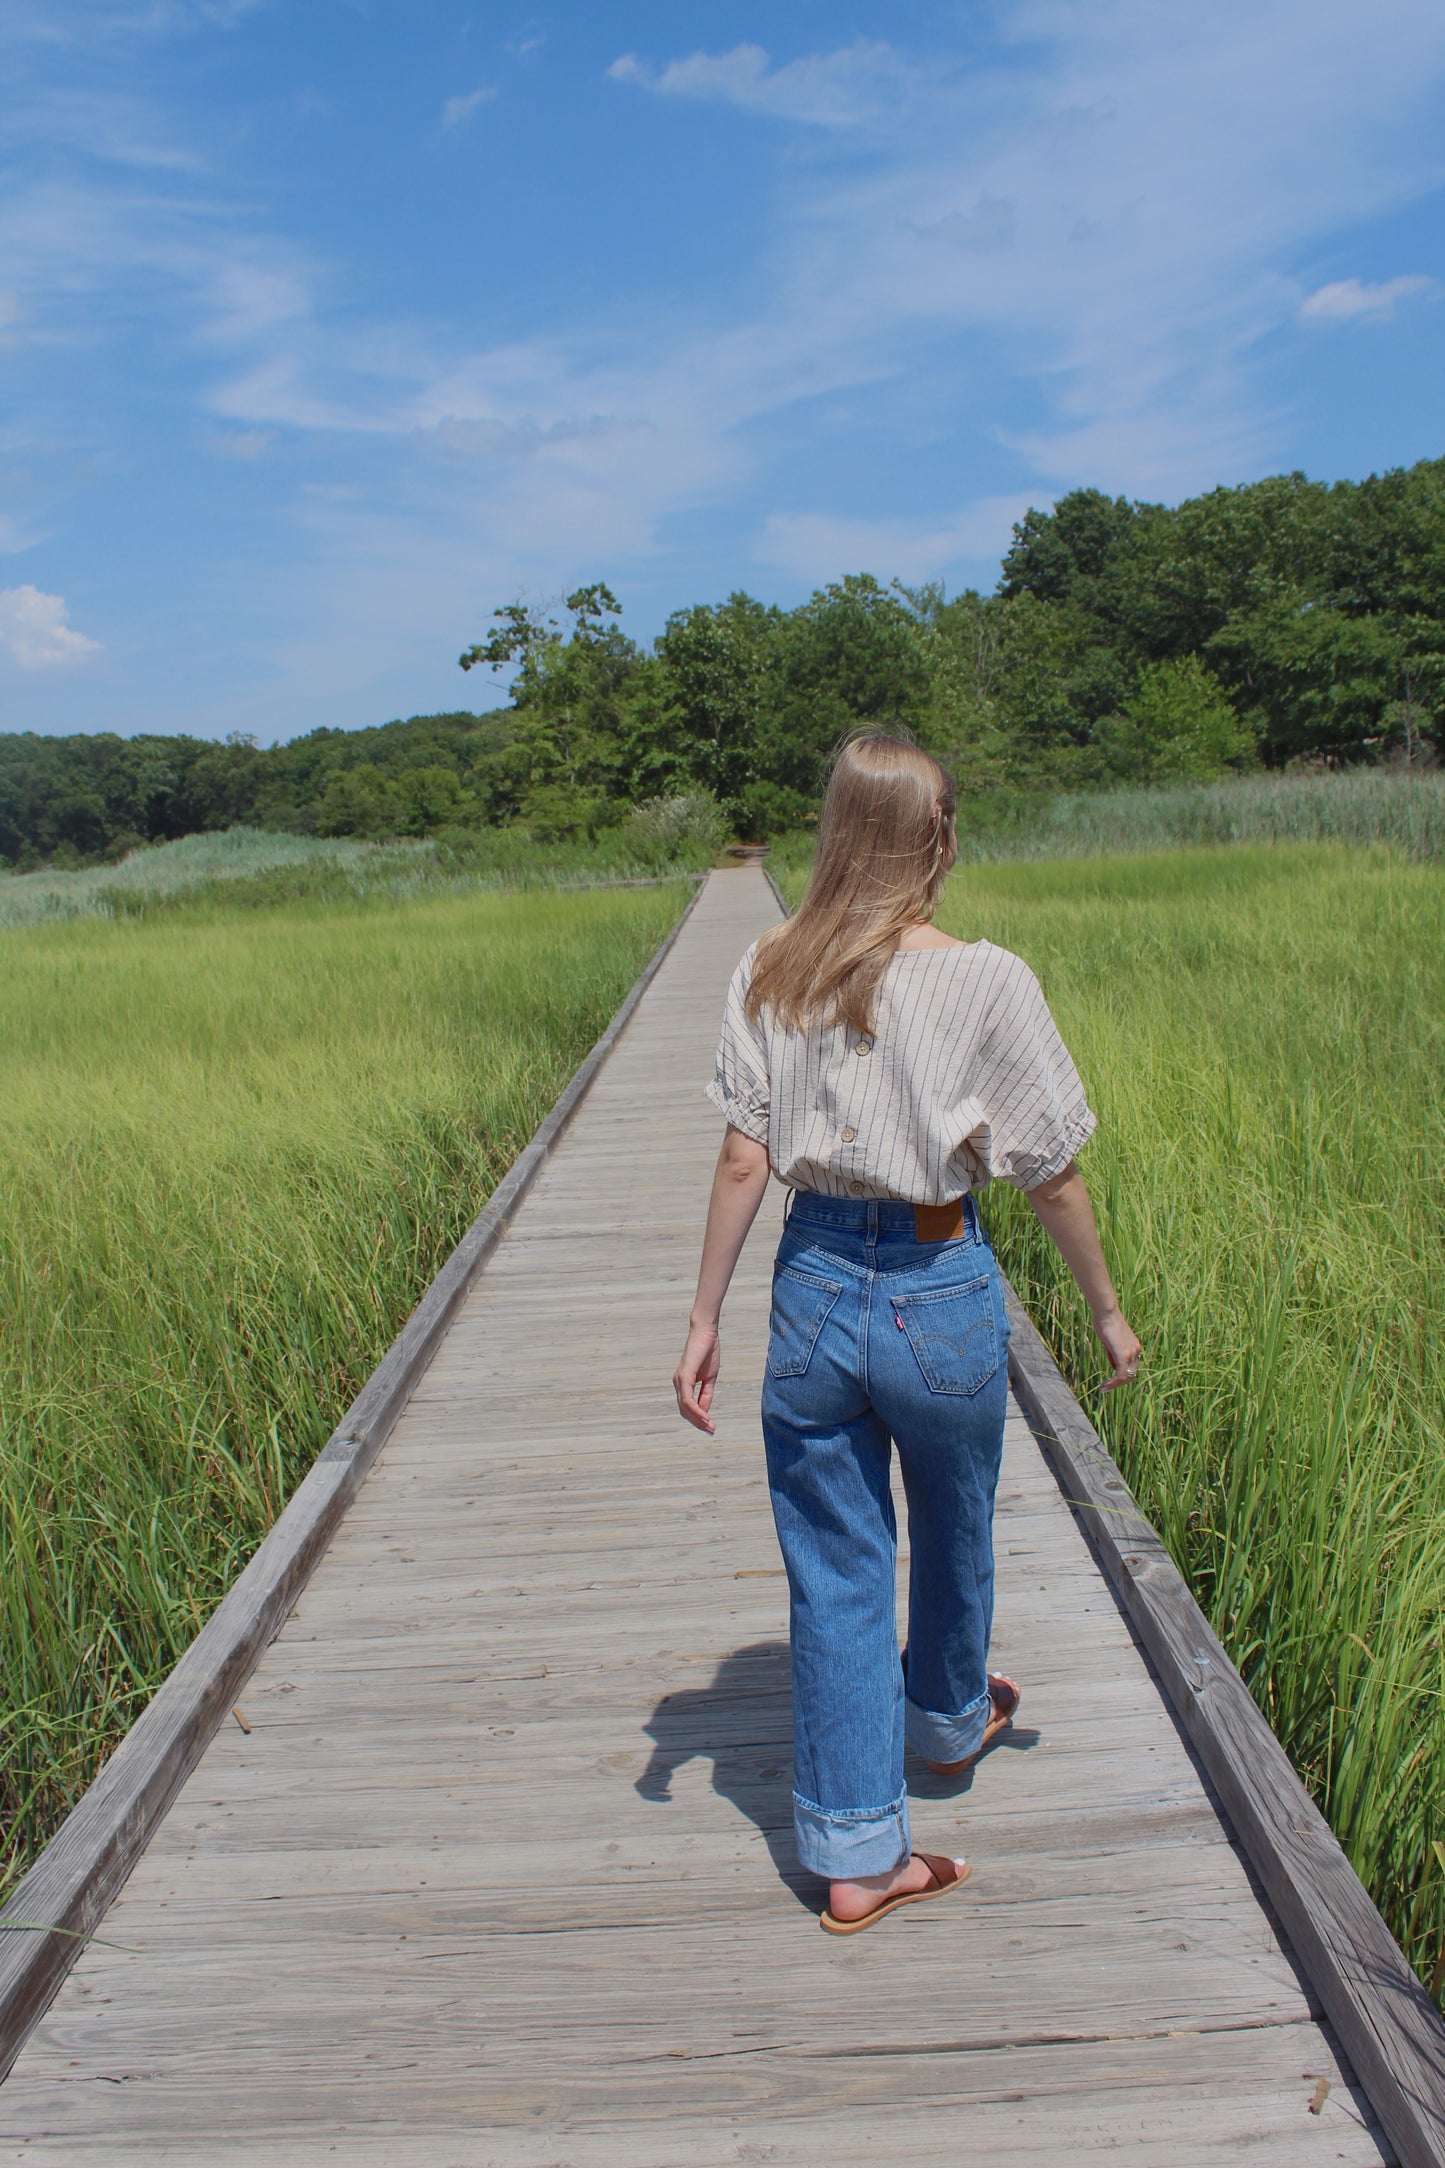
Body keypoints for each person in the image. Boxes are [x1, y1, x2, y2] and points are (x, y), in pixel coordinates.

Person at [672, 728, 1141, 1935]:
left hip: (814, 1279)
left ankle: (853, 1850)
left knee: (836, 1566)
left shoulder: (770, 965)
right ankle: (941, 1722)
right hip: (938, 1278)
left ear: (836, 830)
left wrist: (702, 1314)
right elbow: (1048, 1173)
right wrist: (1101, 1304)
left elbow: (742, 1153)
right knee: (955, 1512)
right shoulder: (989, 977)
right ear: (933, 840)